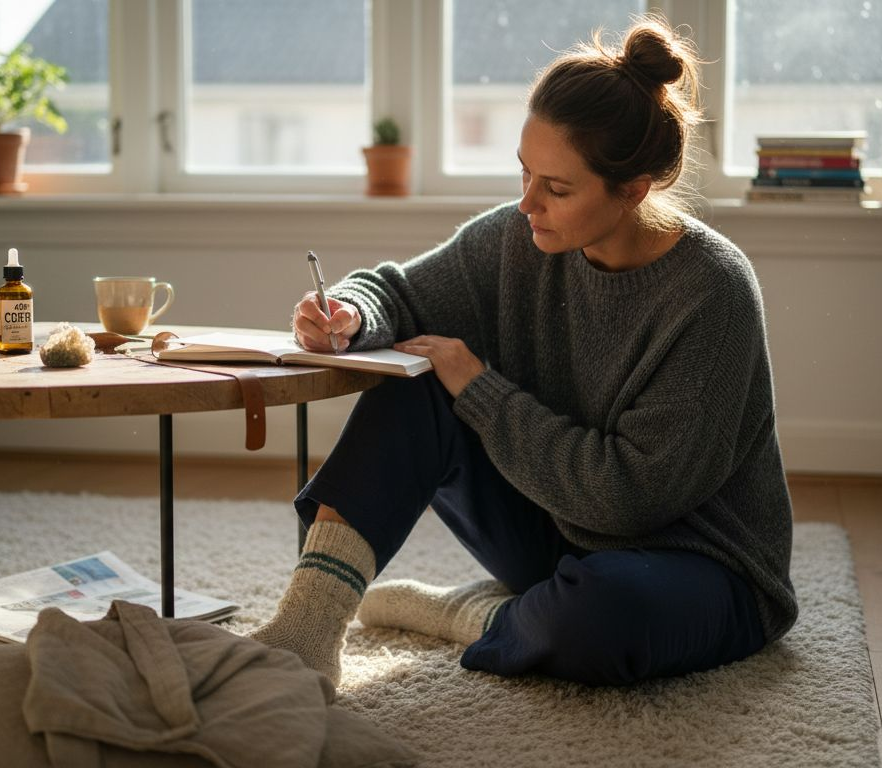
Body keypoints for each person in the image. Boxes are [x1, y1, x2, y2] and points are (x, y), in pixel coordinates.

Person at [250, 14, 796, 688]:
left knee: (600, 617)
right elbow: (398, 293)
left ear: (633, 188)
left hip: (696, 565)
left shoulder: (713, 293)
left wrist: (479, 389)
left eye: (557, 188)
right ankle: (306, 631)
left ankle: (471, 617)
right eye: (524, 173)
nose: (527, 203)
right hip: (560, 538)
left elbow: (627, 500)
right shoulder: (517, 241)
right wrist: (352, 313)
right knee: (419, 376)